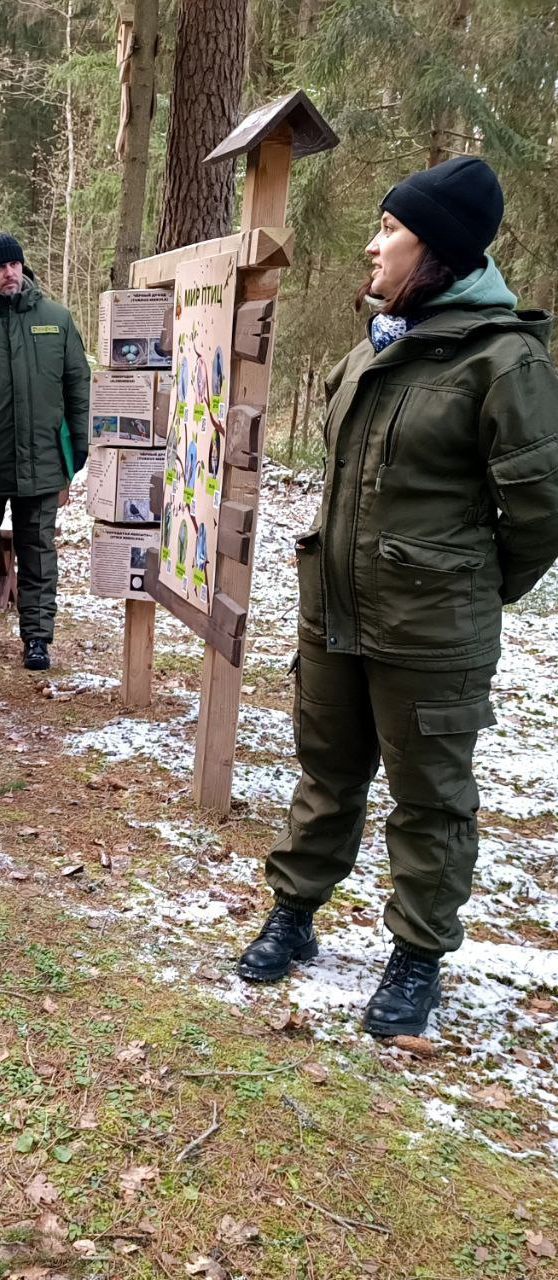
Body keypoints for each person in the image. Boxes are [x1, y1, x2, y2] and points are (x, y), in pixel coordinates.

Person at [236, 157, 558, 1039]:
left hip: (431, 630)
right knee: (326, 772)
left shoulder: (504, 360)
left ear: (438, 248)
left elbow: (540, 512)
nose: (372, 246)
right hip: (335, 610)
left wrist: (469, 587)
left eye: (390, 229)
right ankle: (295, 913)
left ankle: (417, 953)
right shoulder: (373, 346)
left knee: (430, 799)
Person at [0, 231, 89, 672]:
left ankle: (37, 637)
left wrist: (78, 446)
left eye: (14, 264)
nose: (9, 273)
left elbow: (77, 386)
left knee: (38, 550)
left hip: (42, 458)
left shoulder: (57, 319)